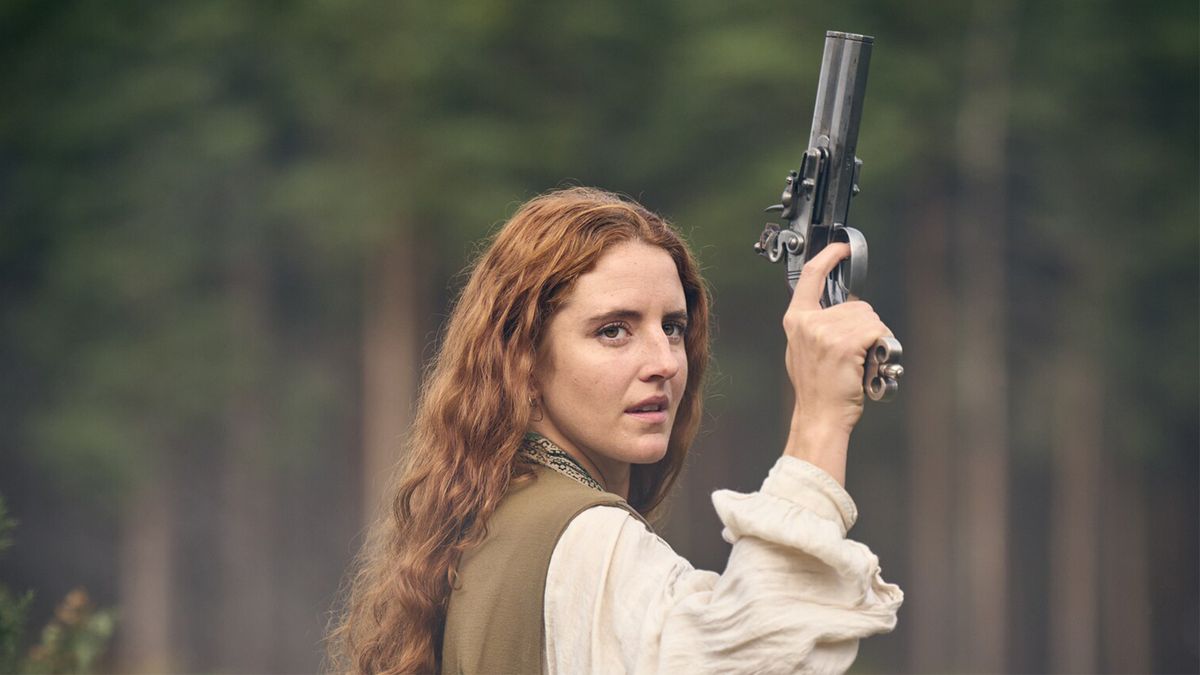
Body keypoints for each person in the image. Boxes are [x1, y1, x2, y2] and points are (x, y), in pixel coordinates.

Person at [327, 187, 902, 674]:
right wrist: (821, 419)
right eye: (613, 331)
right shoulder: (581, 538)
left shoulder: (493, 525)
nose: (665, 361)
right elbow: (753, 655)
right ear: (522, 361)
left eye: (672, 327)